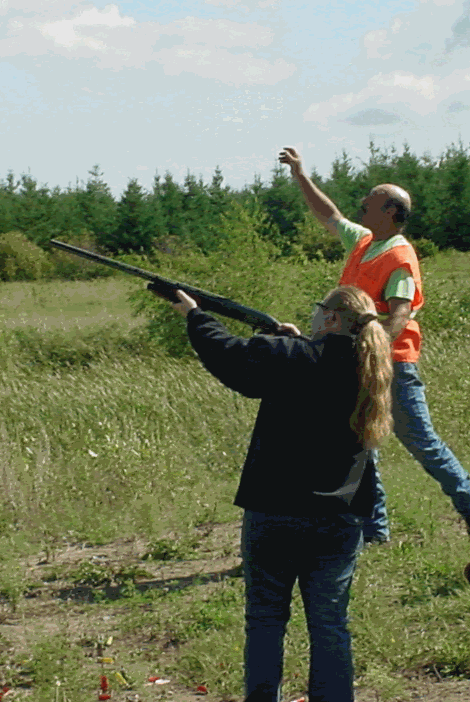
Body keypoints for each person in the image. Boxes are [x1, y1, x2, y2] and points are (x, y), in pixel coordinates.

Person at [165, 283, 393, 702]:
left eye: (318, 307)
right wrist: (292, 341)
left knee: (266, 619)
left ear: (331, 318)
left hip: (275, 511)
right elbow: (316, 364)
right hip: (339, 517)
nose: (312, 313)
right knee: (330, 623)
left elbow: (230, 358)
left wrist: (196, 316)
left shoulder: (289, 356)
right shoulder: (369, 366)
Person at [277, 146, 470, 545]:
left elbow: (400, 314)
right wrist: (300, 174)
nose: (360, 207)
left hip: (393, 364)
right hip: (357, 361)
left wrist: (373, 353)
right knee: (364, 445)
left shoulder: (400, 256)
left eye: (369, 202)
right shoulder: (364, 242)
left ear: (391, 213)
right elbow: (329, 215)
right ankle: (375, 534)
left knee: (422, 443)